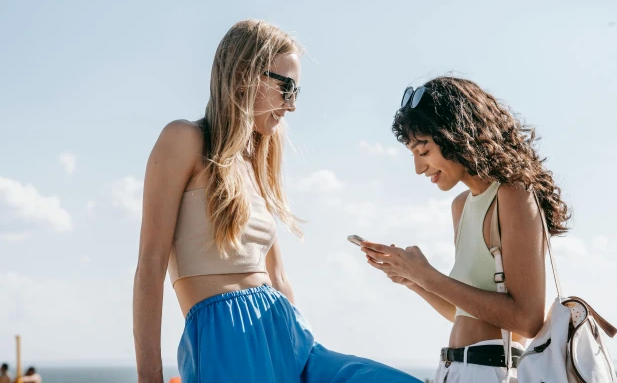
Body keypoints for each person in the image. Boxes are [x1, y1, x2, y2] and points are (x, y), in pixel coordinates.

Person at [133, 20, 420, 383]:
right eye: (286, 87)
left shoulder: (256, 161)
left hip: (291, 338)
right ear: (243, 75)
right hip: (227, 341)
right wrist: (149, 377)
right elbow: (150, 263)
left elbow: (278, 276)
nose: (293, 105)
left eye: (297, 91)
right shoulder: (184, 139)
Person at [361, 76, 571, 383]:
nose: (419, 169)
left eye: (424, 151)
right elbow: (462, 311)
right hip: (452, 370)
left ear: (457, 135)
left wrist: (427, 275)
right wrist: (413, 279)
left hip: (492, 372)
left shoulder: (513, 195)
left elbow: (527, 320)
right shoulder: (461, 206)